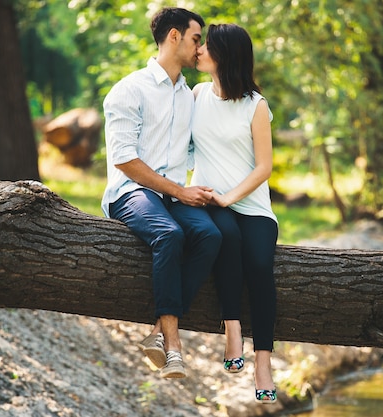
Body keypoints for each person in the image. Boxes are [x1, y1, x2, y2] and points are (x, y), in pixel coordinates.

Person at [101, 7, 222, 379]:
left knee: (209, 235)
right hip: (130, 193)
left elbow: (190, 152)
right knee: (169, 235)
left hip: (171, 195)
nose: (199, 48)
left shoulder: (190, 97)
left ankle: (158, 328)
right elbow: (124, 159)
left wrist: (195, 191)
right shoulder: (129, 89)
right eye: (195, 38)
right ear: (174, 36)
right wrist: (178, 191)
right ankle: (175, 346)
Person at [190, 23, 278, 403]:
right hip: (210, 201)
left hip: (251, 204)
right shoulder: (195, 95)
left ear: (223, 55)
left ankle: (263, 361)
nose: (198, 51)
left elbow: (264, 167)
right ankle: (231, 331)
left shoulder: (255, 105)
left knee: (259, 264)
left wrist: (231, 198)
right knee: (226, 239)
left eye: (205, 46)